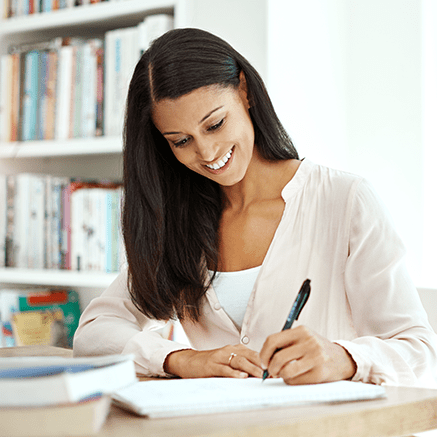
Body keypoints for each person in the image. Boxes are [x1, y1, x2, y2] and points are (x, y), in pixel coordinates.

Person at [73, 28, 437, 386]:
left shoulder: (344, 200)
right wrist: (183, 360)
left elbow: (418, 349)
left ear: (244, 92)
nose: (207, 153)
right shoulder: (177, 222)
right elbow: (94, 332)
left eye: (215, 124)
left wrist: (341, 358)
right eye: (181, 141)